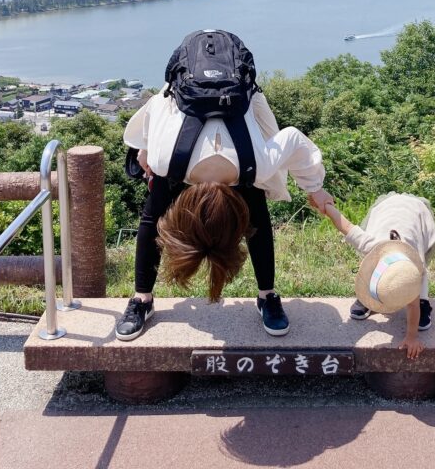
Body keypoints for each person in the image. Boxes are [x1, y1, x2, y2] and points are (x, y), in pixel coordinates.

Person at [116, 62, 334, 342]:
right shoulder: (164, 160)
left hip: (238, 108)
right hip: (186, 103)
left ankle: (267, 295)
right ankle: (142, 298)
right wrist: (146, 146)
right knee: (152, 214)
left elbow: (292, 137)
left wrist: (314, 188)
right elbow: (160, 105)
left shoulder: (256, 165)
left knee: (257, 212)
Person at [312, 193, 435, 359]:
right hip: (386, 212)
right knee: (368, 263)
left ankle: (424, 302)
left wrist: (411, 337)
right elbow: (346, 226)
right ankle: (368, 298)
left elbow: (413, 306)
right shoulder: (371, 245)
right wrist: (326, 206)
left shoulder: (413, 268)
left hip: (414, 215)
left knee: (416, 283)